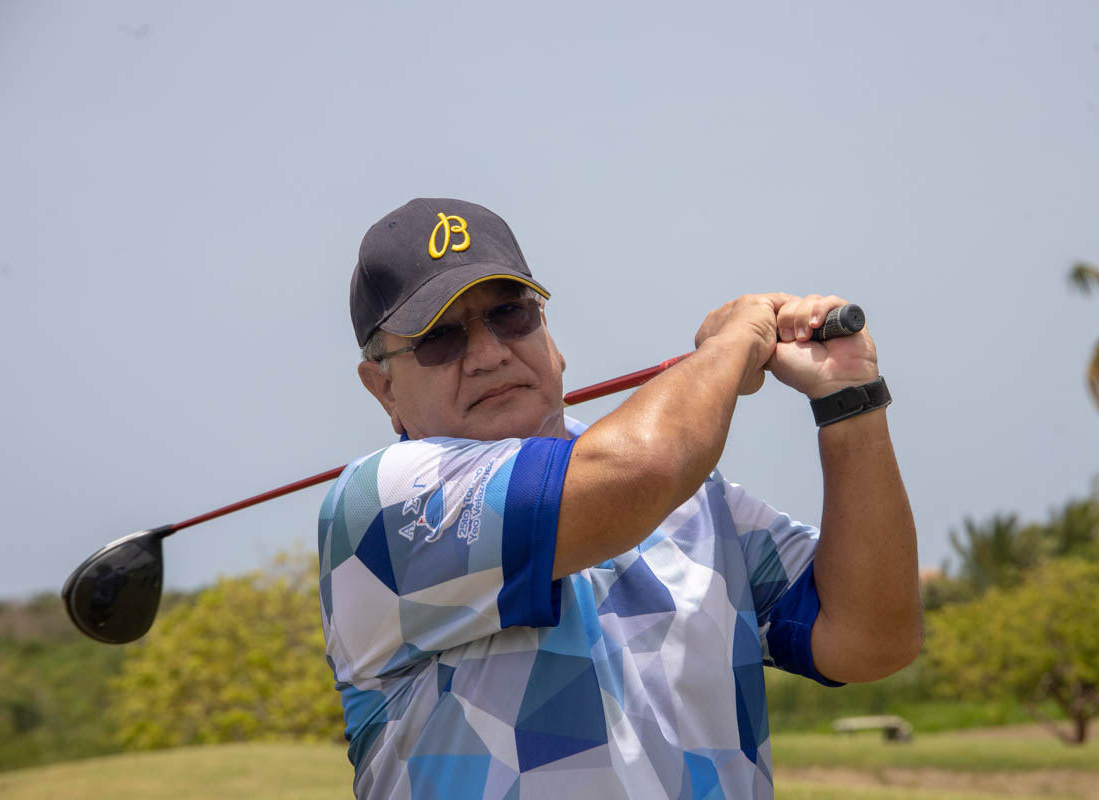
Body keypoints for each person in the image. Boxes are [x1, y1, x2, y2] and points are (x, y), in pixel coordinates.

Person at [318, 197, 921, 799]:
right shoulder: (379, 507)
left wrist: (849, 400)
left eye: (509, 313)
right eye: (439, 338)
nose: (489, 354)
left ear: (549, 334)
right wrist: (734, 343)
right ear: (383, 388)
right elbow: (643, 468)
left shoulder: (691, 491)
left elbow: (871, 640)